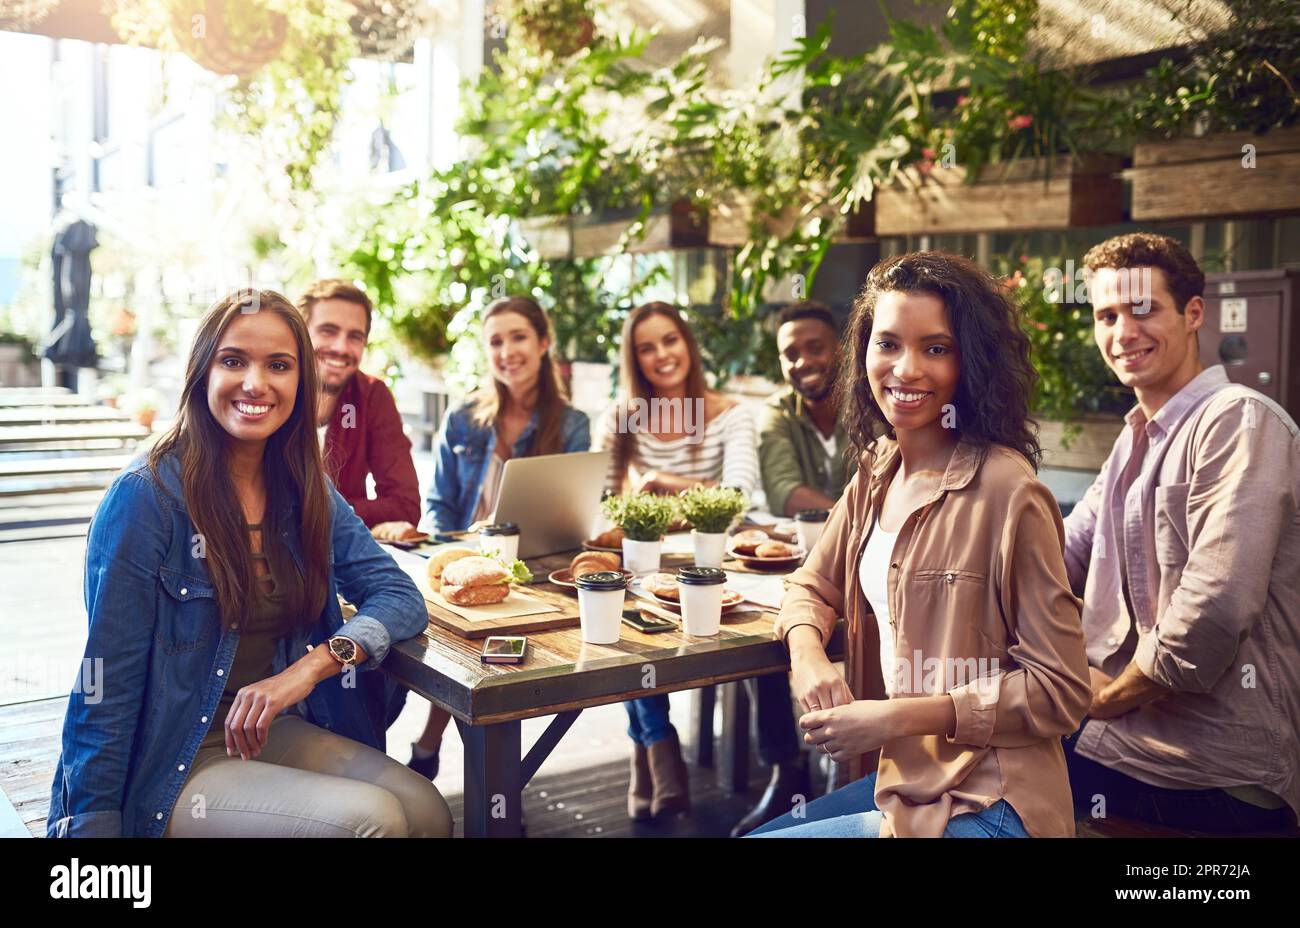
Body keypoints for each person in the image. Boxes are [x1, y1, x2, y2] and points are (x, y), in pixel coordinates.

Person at [46, 289, 451, 837]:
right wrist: (92, 835)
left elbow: (398, 595)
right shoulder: (145, 498)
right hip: (176, 761)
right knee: (371, 822)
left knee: (426, 808)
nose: (256, 383)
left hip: (272, 730)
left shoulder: (304, 487)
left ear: (300, 384)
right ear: (202, 373)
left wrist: (308, 670)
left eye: (279, 366)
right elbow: (104, 687)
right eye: (234, 360)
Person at [752, 252, 1092, 838]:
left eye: (936, 348)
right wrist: (806, 657)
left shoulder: (1010, 492)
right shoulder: (879, 469)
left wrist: (893, 717)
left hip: (996, 800)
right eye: (888, 344)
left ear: (970, 363)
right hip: (906, 785)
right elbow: (810, 583)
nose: (906, 369)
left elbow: (1060, 690)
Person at [1062, 232, 1300, 833]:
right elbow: (1058, 555)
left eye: (1143, 310)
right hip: (1121, 745)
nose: (1123, 333)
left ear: (1194, 313)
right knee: (942, 774)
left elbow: (1214, 611)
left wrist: (1100, 699)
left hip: (1207, 770)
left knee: (960, 795)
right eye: (1107, 315)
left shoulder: (1239, 421)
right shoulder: (1134, 438)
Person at [398, 296, 591, 781]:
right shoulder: (463, 419)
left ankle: (447, 756)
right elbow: (440, 504)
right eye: (495, 342)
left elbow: (571, 515)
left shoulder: (571, 424)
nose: (507, 351)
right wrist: (448, 547)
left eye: (518, 337)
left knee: (495, 665)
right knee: (475, 656)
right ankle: (498, 791)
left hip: (533, 570)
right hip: (465, 567)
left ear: (544, 342)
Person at [600, 301, 759, 821]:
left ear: (687, 344)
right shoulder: (622, 418)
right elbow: (602, 504)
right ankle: (657, 743)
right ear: (635, 358)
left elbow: (739, 497)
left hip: (712, 571)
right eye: (646, 347)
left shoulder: (731, 415)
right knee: (619, 619)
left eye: (670, 340)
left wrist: (665, 486)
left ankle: (646, 754)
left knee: (633, 617)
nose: (662, 355)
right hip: (645, 567)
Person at [732, 300, 858, 836]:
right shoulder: (778, 412)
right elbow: (785, 491)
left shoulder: (871, 401)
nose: (804, 361)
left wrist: (851, 515)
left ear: (841, 349)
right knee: (766, 633)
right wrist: (855, 509)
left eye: (815, 347)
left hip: (873, 561)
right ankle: (788, 773)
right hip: (807, 567)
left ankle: (852, 778)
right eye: (790, 353)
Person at [297, 279, 421, 535]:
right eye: (328, 331)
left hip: (344, 558)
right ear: (299, 333)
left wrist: (318, 513)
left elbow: (406, 506)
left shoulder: (371, 395)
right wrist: (350, 514)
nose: (341, 347)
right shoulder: (271, 392)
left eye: (355, 336)